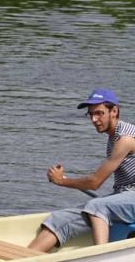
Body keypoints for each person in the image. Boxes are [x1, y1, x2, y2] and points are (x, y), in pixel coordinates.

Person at [28, 89, 135, 251]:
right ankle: (20, 261)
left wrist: (61, 180)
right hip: (124, 195)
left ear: (114, 111)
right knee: (59, 218)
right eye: (90, 114)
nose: (94, 119)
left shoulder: (126, 139)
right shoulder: (113, 136)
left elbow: (94, 183)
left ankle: (100, 260)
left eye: (99, 113)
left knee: (97, 206)